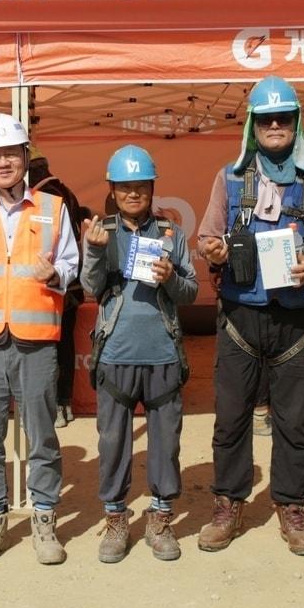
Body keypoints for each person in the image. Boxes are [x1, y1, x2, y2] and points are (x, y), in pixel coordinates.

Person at [195, 76, 304, 556]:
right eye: (265, 119)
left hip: (295, 322)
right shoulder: (229, 178)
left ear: (296, 122)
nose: (274, 125)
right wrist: (215, 251)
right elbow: (205, 237)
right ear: (253, 125)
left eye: (283, 117)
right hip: (240, 318)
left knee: (295, 422)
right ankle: (228, 504)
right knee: (231, 420)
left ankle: (291, 505)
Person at [0, 113, 80, 566]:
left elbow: (71, 263)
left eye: (11, 153)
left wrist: (56, 273)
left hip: (35, 339)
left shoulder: (53, 207)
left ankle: (44, 518)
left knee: (41, 435)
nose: (3, 162)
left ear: (26, 156)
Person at [80, 145, 198, 563]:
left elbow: (191, 291)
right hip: (116, 354)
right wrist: (95, 251)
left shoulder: (171, 234)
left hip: (163, 353)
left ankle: (161, 518)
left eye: (141, 186)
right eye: (125, 187)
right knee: (113, 441)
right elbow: (91, 287)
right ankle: (115, 518)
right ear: (112, 190)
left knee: (166, 442)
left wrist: (170, 279)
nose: (133, 194)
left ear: (152, 189)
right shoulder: (102, 232)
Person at [28, 145, 87, 427]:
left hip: (53, 284)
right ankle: (63, 403)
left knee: (53, 347)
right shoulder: (65, 191)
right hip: (70, 285)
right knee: (64, 345)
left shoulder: (46, 197)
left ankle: (57, 404)